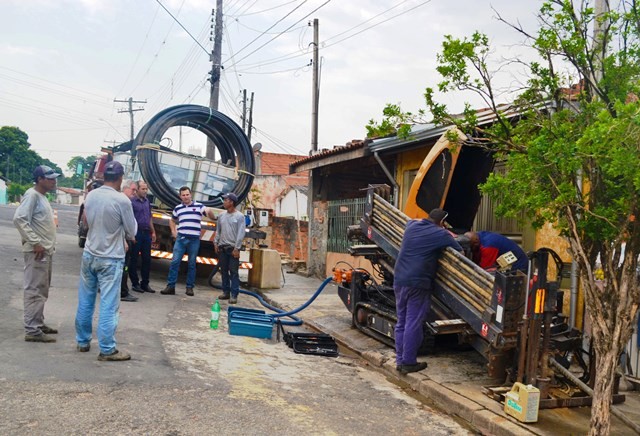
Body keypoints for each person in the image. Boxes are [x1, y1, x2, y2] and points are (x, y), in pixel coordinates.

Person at [75, 161, 137, 361]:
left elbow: (85, 222)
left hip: (90, 253)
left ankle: (82, 341)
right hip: (110, 258)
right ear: (120, 178)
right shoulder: (122, 201)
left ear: (104, 176)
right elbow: (131, 231)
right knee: (109, 304)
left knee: (86, 300)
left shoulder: (91, 195)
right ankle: (107, 348)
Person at [393, 208, 463, 374]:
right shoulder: (441, 234)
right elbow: (459, 249)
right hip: (418, 282)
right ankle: (409, 362)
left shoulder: (411, 226)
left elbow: (411, 221)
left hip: (400, 278)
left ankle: (400, 360)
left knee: (401, 321)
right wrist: (447, 233)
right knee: (413, 322)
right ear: (442, 222)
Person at [13, 165, 61, 343]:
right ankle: (32, 330)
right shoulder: (32, 195)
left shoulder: (41, 197)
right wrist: (35, 242)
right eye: (50, 178)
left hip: (44, 250)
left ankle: (37, 323)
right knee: (34, 289)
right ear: (40, 179)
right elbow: (19, 219)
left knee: (41, 289)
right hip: (37, 251)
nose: (53, 181)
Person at [161, 186, 215, 296]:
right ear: (180, 196)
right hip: (181, 239)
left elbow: (208, 213)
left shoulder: (199, 206)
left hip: (194, 240)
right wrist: (173, 231)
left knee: (191, 264)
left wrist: (210, 212)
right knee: (175, 262)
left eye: (187, 194)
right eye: (183, 195)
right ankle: (170, 286)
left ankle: (189, 287)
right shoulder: (178, 208)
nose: (186, 197)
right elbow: (172, 220)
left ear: (191, 195)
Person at [214, 193, 246, 305]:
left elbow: (241, 233)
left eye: (225, 200)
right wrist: (216, 243)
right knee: (223, 271)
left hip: (232, 249)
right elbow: (218, 230)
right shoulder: (222, 215)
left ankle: (234, 294)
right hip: (222, 247)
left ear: (231, 202)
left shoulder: (239, 216)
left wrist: (237, 248)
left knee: (233, 272)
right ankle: (226, 291)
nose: (224, 202)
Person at [129, 180, 157, 294]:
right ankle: (135, 283)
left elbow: (150, 218)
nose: (145, 191)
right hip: (137, 233)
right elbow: (129, 219)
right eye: (143, 189)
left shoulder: (147, 202)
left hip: (146, 234)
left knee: (147, 259)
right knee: (134, 259)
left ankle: (145, 283)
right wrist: (131, 234)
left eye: (146, 189)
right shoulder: (131, 202)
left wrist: (153, 232)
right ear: (137, 189)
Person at [119, 179, 139, 302]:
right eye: (133, 190)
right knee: (124, 268)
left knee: (124, 267)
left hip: (127, 239)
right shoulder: (123, 202)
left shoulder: (125, 201)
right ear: (125, 188)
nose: (135, 193)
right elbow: (120, 224)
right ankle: (123, 292)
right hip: (124, 241)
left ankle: (122, 290)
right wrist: (124, 241)